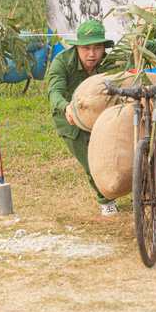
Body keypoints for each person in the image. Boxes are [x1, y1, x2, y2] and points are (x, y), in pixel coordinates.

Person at [47, 20, 118, 216]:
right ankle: (107, 200)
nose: (92, 54)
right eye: (86, 48)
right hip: (69, 119)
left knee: (111, 156)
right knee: (91, 161)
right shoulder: (62, 62)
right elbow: (54, 93)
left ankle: (119, 189)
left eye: (97, 47)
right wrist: (66, 107)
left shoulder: (109, 63)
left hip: (99, 116)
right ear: (77, 47)